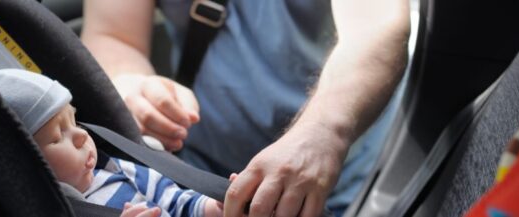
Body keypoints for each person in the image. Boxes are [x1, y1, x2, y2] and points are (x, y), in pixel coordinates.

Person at [81, 0, 411, 216]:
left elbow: (377, 26)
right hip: (198, 170)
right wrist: (130, 82)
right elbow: (113, 35)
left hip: (343, 178)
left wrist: (323, 134)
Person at [0, 69, 228, 217]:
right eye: (59, 136)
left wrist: (209, 208)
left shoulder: (114, 171)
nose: (81, 137)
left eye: (75, 122)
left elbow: (171, 198)